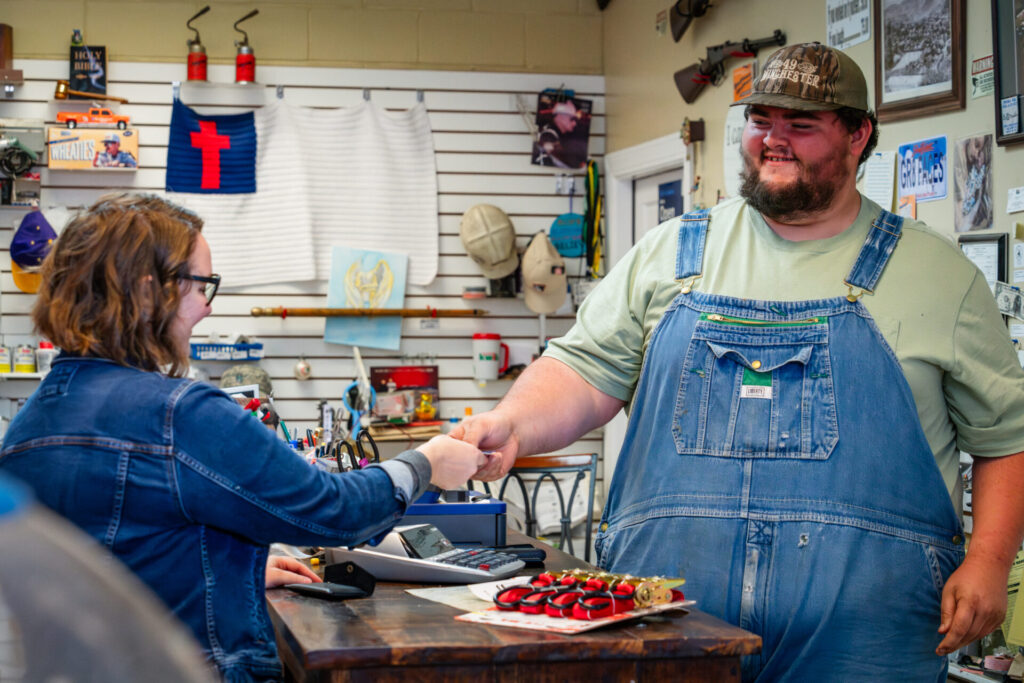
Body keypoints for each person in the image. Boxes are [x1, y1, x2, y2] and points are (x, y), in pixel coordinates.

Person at [455, 42, 1024, 681]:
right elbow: (585, 373)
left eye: (801, 125)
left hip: (867, 646)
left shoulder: (939, 277)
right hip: (670, 626)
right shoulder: (669, 255)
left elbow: (1006, 438)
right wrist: (513, 422)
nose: (773, 140)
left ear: (860, 135)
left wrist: (990, 561)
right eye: (761, 120)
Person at [0, 193, 486, 682]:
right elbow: (333, 510)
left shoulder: (29, 424)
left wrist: (234, 572)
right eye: (202, 286)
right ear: (149, 292)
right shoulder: (179, 413)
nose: (208, 309)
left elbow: (123, 558)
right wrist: (427, 462)